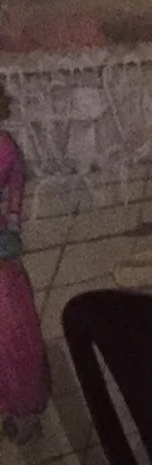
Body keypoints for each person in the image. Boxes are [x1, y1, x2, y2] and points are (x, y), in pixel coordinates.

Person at [0, 89, 53, 443]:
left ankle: (23, 407)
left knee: (12, 327)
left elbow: (16, 187)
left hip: (1, 251)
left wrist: (13, 221)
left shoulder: (4, 146)